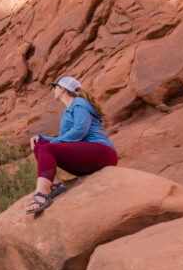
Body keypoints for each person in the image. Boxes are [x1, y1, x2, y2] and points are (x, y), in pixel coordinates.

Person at [27, 76, 118, 214]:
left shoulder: (79, 103)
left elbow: (80, 130)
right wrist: (42, 138)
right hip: (85, 157)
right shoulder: (67, 111)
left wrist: (52, 142)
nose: (54, 90)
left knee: (48, 147)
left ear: (62, 89)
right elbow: (63, 139)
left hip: (102, 152)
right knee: (39, 143)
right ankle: (54, 185)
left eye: (55, 87)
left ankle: (42, 193)